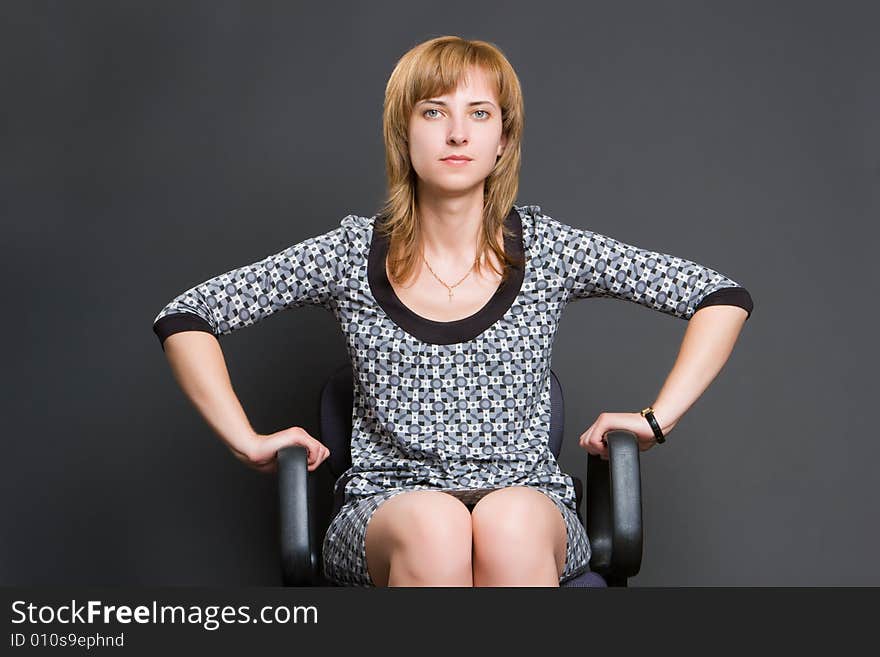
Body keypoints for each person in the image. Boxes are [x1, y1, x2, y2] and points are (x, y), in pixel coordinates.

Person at [152, 35, 753, 587]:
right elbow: (187, 317)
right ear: (403, 133)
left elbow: (719, 298)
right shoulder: (349, 253)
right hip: (387, 509)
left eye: (479, 114)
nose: (457, 134)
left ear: (503, 140)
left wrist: (656, 419)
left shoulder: (549, 250)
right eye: (434, 112)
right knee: (434, 526)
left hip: (528, 499)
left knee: (509, 523)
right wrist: (245, 440)